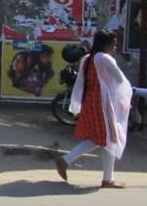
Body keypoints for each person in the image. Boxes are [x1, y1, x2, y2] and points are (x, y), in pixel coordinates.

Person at [55, 30, 133, 188]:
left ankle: (106, 178)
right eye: (113, 44)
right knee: (107, 138)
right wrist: (125, 98)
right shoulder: (104, 58)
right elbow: (119, 79)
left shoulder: (88, 58)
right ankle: (67, 161)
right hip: (103, 103)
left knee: (106, 139)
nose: (115, 47)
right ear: (106, 44)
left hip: (91, 100)